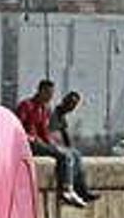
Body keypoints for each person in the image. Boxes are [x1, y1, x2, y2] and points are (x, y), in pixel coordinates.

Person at [18, 80, 88, 208]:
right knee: (64, 156)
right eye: (48, 93)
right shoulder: (26, 105)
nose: (50, 96)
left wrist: (51, 144)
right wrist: (32, 138)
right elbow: (18, 127)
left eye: (51, 93)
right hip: (30, 143)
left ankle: (81, 190)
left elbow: (44, 132)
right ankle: (66, 190)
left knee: (73, 154)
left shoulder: (45, 109)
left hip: (40, 142)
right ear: (40, 91)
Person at [49, 91, 99, 202]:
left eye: (74, 105)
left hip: (55, 144)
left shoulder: (61, 115)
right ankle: (68, 188)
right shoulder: (54, 112)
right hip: (47, 144)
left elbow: (66, 136)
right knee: (68, 156)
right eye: (70, 103)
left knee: (76, 155)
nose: (71, 107)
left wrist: (71, 149)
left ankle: (82, 189)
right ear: (64, 101)